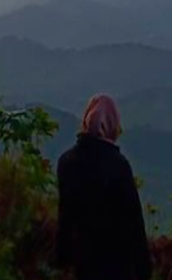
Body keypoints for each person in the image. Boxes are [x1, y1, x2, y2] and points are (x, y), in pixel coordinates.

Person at [56, 94, 152, 280]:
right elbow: (135, 225)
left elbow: (65, 216)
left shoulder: (66, 162)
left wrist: (62, 259)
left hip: (83, 264)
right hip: (117, 267)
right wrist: (143, 271)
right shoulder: (118, 165)